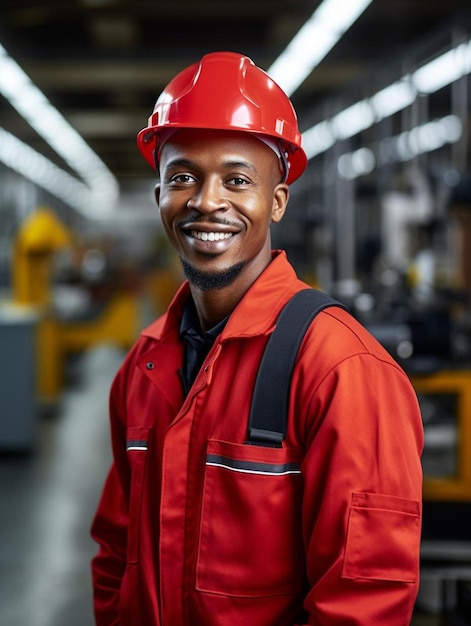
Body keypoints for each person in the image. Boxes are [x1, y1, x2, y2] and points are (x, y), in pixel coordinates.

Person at [91, 51, 424, 626]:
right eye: (183, 177)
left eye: (237, 179)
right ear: (159, 199)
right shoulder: (144, 366)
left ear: (276, 201)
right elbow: (117, 555)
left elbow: (364, 600)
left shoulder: (340, 370)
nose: (206, 200)